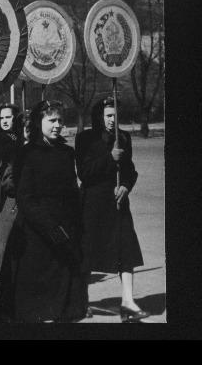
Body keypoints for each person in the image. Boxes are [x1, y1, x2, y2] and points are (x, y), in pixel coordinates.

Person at [0, 100, 87, 323]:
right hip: (36, 234)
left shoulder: (67, 152)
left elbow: (72, 192)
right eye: (51, 120)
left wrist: (75, 228)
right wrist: (51, 229)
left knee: (62, 302)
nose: (57, 125)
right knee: (35, 303)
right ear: (39, 122)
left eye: (60, 121)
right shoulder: (27, 153)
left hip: (65, 230)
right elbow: (25, 198)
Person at [76, 97, 149, 322]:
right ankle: (82, 302)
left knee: (126, 249)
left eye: (115, 115)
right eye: (108, 115)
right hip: (93, 204)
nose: (112, 119)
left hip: (118, 203)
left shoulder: (124, 137)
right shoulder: (84, 138)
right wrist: (109, 158)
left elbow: (130, 170)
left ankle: (128, 302)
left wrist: (126, 185)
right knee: (87, 253)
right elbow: (84, 173)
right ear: (99, 116)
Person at [0, 104, 24, 285]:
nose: (5, 121)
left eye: (9, 117)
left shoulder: (20, 136)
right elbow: (5, 155)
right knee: (3, 233)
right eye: (2, 118)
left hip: (20, 186)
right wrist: (22, 141)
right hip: (7, 188)